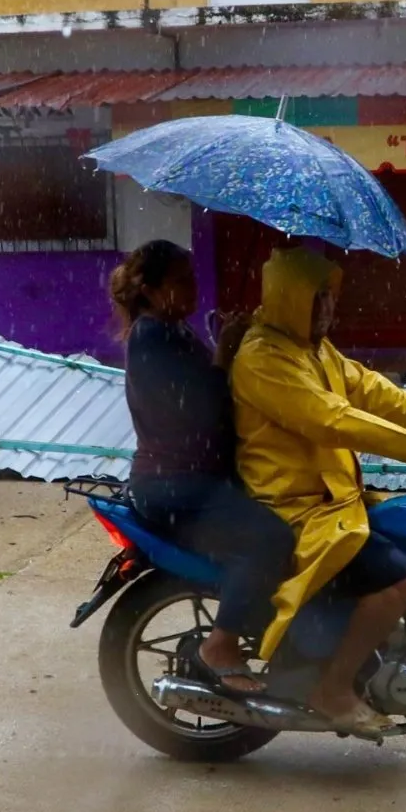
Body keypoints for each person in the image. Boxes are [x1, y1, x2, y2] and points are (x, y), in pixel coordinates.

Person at [230, 245, 406, 735]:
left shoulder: (312, 349)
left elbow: (372, 391)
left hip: (333, 498)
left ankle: (374, 655)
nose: (328, 309)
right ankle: (333, 687)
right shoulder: (264, 358)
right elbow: (331, 418)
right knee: (400, 581)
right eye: (316, 299)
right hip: (297, 507)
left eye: (330, 297)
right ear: (289, 300)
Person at [111, 240, 294, 694]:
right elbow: (198, 407)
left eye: (193, 278)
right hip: (176, 486)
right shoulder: (154, 335)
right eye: (181, 281)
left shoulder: (172, 330)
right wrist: (227, 351)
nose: (193, 289)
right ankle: (222, 644)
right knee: (271, 538)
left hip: (192, 479)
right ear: (150, 291)